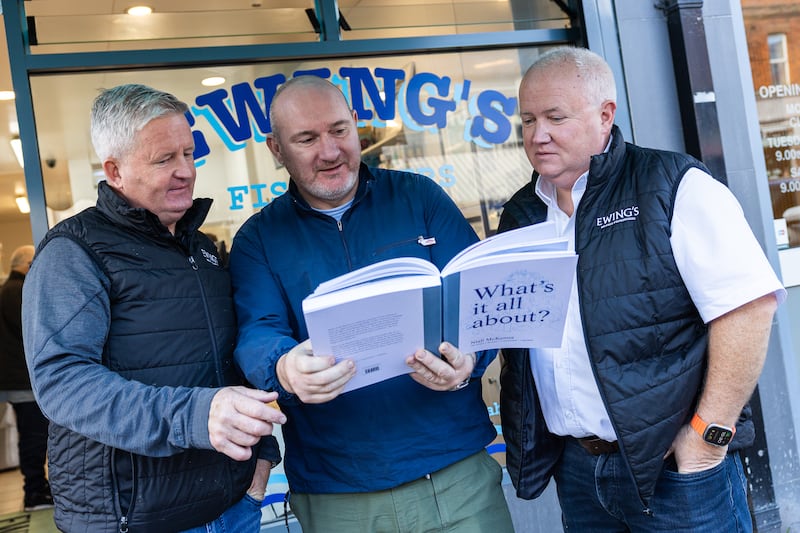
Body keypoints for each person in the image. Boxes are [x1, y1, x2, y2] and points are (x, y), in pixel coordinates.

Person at [497, 46, 786, 531]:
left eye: (555, 117)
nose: (537, 135)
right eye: (527, 120)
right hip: (579, 469)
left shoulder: (673, 185)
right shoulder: (522, 213)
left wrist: (707, 438)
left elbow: (749, 309)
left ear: (605, 115)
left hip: (676, 471)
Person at [229, 75, 513, 533]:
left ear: (356, 125)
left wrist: (470, 361)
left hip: (456, 473)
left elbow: (477, 297)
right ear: (276, 150)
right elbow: (255, 332)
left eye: (339, 130)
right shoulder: (257, 239)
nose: (330, 151)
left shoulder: (419, 197)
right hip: (338, 492)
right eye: (306, 138)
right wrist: (283, 368)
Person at [21, 84, 286, 533]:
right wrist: (195, 415)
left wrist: (261, 465)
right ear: (115, 171)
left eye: (188, 153)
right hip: (131, 522)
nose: (186, 171)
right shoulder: (74, 252)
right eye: (165, 160)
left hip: (233, 510)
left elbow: (228, 361)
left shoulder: (200, 248)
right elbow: (61, 382)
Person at [0, 244, 53, 511]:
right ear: (27, 264)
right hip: (23, 381)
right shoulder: (18, 291)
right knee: (34, 437)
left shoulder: (6, 291)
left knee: (31, 435)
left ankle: (37, 489)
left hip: (15, 380)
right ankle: (34, 492)